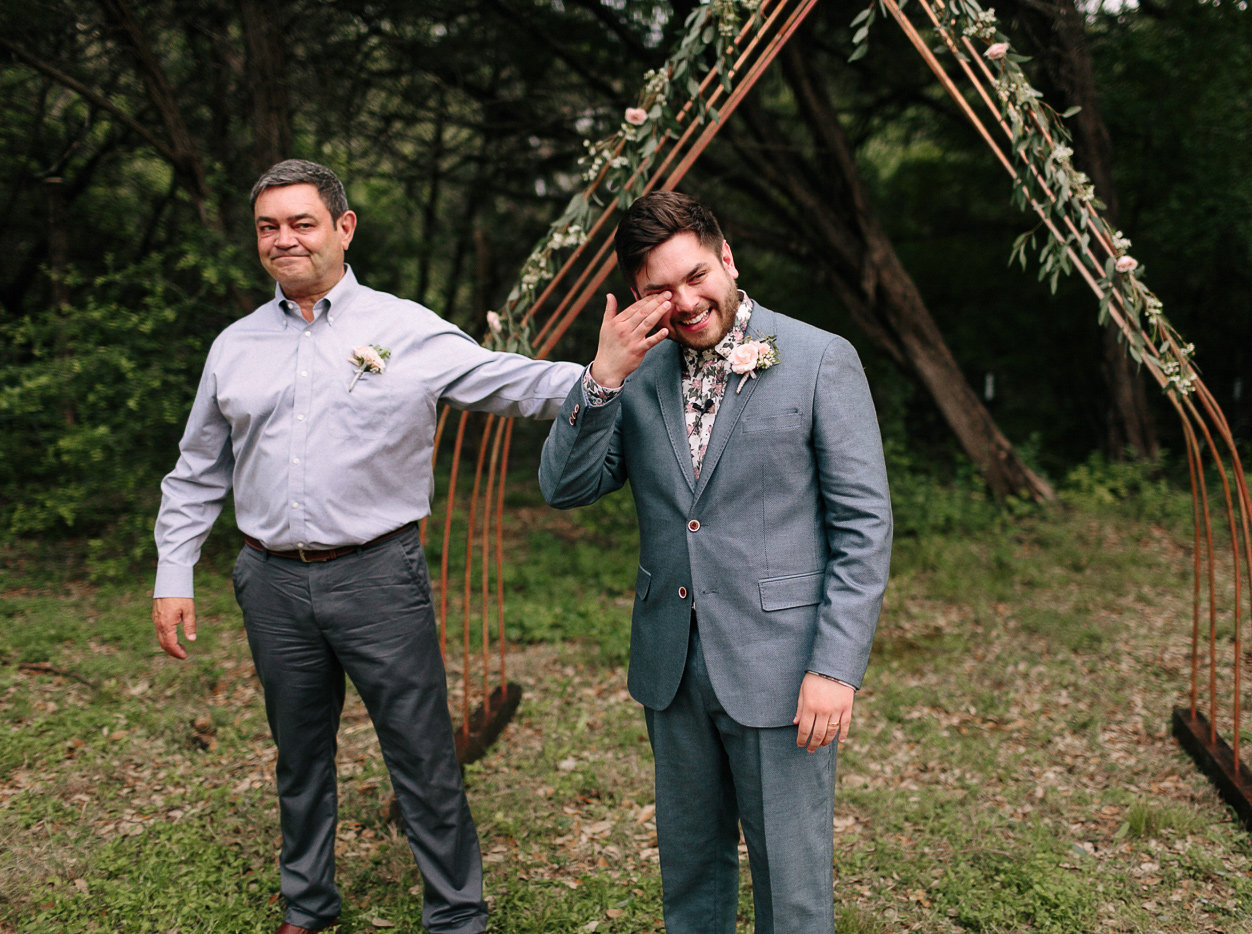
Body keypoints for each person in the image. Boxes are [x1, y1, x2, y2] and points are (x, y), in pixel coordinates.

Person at [152, 159, 582, 934]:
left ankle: (456, 914)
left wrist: (602, 377)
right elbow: (196, 469)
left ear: (344, 228)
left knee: (421, 756)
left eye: (302, 223)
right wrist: (173, 570)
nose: (284, 240)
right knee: (299, 758)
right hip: (271, 582)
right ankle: (308, 907)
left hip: (378, 575)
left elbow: (505, 382)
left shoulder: (402, 328)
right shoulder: (235, 346)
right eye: (268, 227)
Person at [539, 191, 892, 934]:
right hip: (671, 666)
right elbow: (565, 487)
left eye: (696, 276)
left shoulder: (821, 358)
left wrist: (835, 668)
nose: (686, 301)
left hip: (784, 667)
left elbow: (863, 526)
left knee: (791, 884)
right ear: (637, 298)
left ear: (727, 259)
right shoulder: (633, 372)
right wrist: (601, 376)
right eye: (659, 291)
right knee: (692, 873)